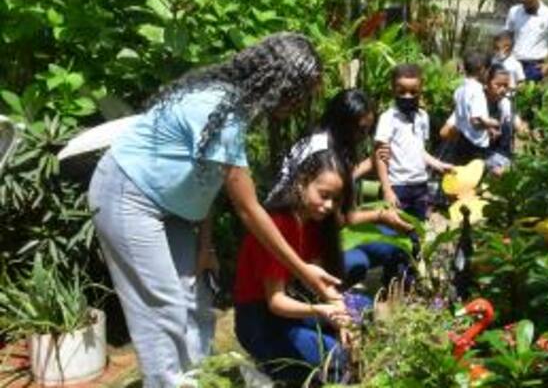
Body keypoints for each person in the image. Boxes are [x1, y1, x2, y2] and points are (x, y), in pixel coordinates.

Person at [87, 33, 340, 388]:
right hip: (129, 194)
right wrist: (303, 271)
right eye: (300, 91)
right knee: (162, 308)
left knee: (195, 296)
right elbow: (248, 209)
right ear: (278, 81)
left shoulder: (233, 108)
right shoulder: (218, 109)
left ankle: (195, 377)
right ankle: (166, 382)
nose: (300, 103)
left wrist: (204, 248)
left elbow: (206, 181)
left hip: (171, 208)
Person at [234, 150, 360, 384]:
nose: (328, 206)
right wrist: (321, 311)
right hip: (260, 320)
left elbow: (324, 285)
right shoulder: (278, 224)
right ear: (302, 182)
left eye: (336, 199)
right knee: (337, 357)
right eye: (323, 195)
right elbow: (276, 301)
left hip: (289, 311)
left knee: (361, 310)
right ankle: (269, 368)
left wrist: (343, 314)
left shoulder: (314, 224)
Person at [264, 89, 413, 285]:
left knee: (389, 245)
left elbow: (343, 181)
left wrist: (373, 161)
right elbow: (338, 217)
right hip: (295, 238)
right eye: (360, 130)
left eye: (368, 130)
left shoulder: (323, 142)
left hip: (313, 229)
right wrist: (380, 216)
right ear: (343, 124)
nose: (364, 136)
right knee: (359, 261)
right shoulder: (323, 153)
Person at [373, 64, 452, 275]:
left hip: (420, 186)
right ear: (393, 90)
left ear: (421, 90)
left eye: (413, 92)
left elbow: (420, 151)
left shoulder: (423, 117)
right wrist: (387, 189)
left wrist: (437, 164)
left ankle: (410, 280)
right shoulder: (388, 118)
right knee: (394, 237)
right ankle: (391, 283)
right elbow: (380, 156)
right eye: (402, 91)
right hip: (397, 186)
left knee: (416, 235)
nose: (407, 96)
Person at [450, 53, 500, 165]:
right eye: (488, 70)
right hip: (475, 146)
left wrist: (488, 129)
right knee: (473, 179)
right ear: (482, 69)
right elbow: (475, 122)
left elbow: (466, 118)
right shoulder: (477, 91)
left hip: (461, 140)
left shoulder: (460, 89)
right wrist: (494, 123)